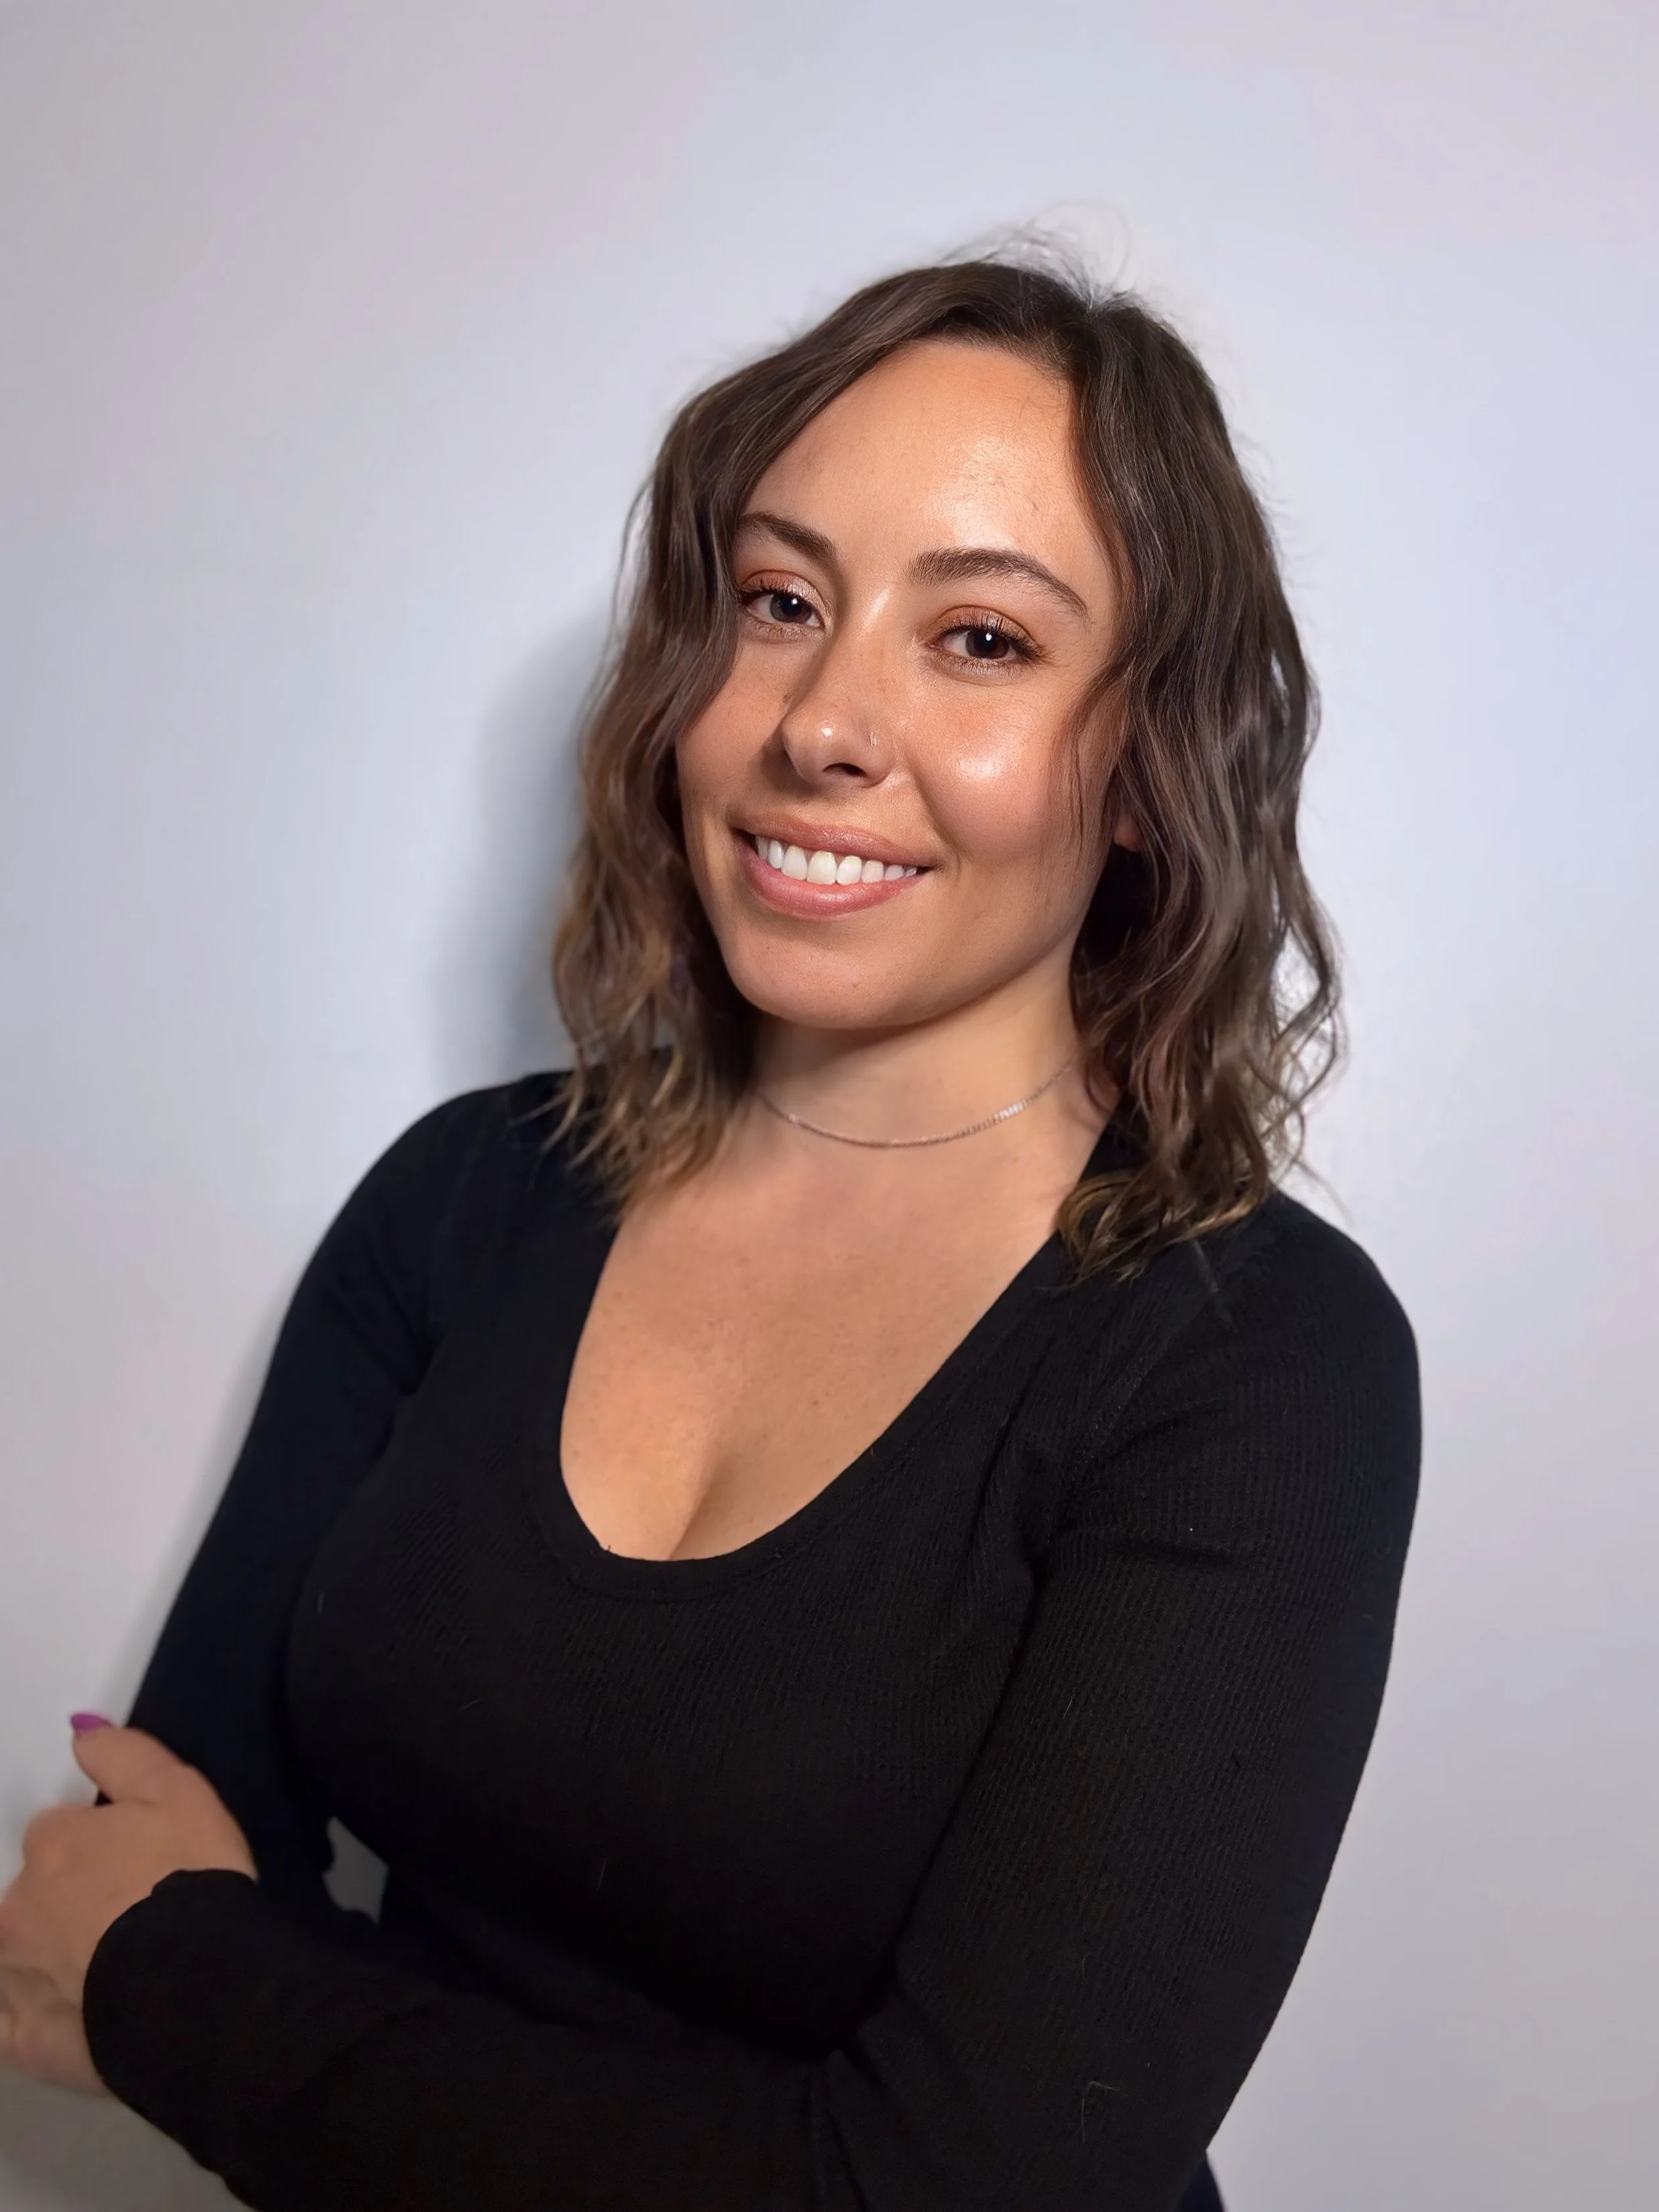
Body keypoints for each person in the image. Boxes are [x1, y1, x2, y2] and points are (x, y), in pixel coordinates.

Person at [0, 254, 1419, 2212]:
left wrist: (200, 1999)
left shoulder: (1254, 1357)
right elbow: (135, 1860)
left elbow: (959, 2192)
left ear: (1151, 769)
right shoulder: (466, 1200)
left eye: (982, 639)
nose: (821, 720)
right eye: (779, 601)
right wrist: (188, 1971)